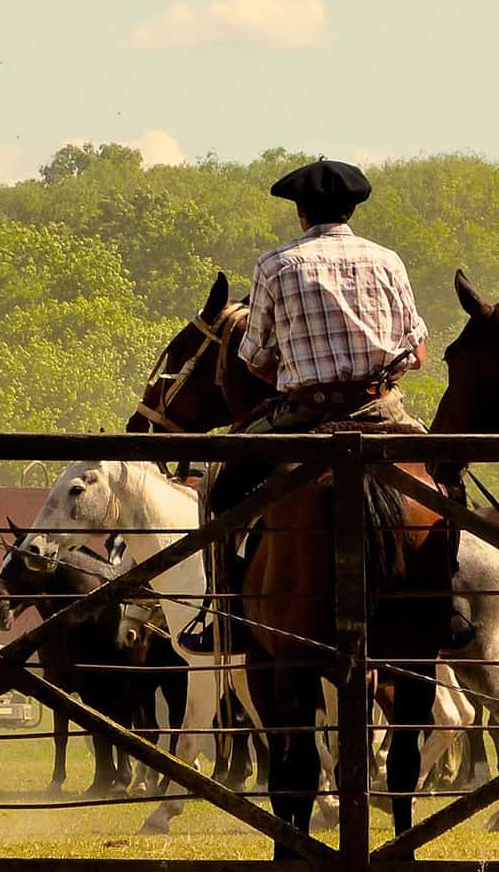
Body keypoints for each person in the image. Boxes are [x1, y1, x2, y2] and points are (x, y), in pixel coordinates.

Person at [176, 158, 428, 654]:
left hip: (305, 414)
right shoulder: (388, 260)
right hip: (382, 410)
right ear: (353, 208)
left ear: (300, 213)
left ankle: (224, 612)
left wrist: (294, 376)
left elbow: (253, 359)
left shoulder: (276, 265)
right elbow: (416, 353)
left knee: (217, 492)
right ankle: (452, 598)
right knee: (444, 480)